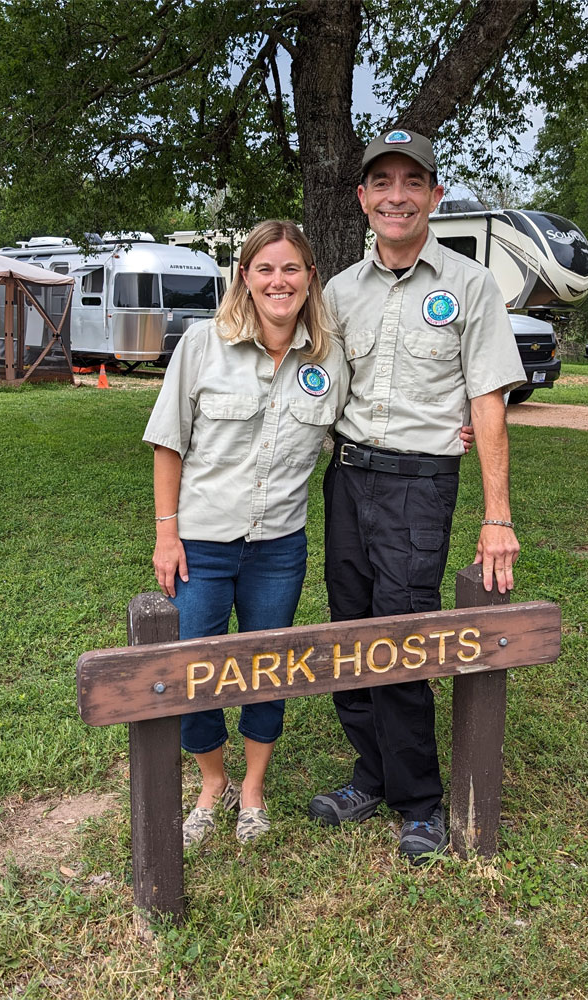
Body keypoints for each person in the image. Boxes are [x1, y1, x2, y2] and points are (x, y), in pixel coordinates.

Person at [308, 128, 526, 863]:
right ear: (363, 197)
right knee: (348, 633)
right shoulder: (337, 292)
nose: (396, 196)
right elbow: (316, 390)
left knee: (399, 637)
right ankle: (371, 775)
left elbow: (488, 402)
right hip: (348, 478)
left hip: (419, 485)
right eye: (382, 182)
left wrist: (497, 516)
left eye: (412, 182)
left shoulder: (469, 286)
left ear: (434, 195)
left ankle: (420, 801)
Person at [142, 220, 349, 850]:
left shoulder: (329, 357)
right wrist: (167, 533)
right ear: (245, 277)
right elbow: (168, 442)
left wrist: (451, 429)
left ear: (310, 277)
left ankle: (253, 790)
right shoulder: (203, 344)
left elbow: (365, 424)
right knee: (194, 666)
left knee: (269, 664)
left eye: (290, 269)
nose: (278, 281)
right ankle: (212, 783)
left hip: (279, 546)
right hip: (201, 542)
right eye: (265, 269)